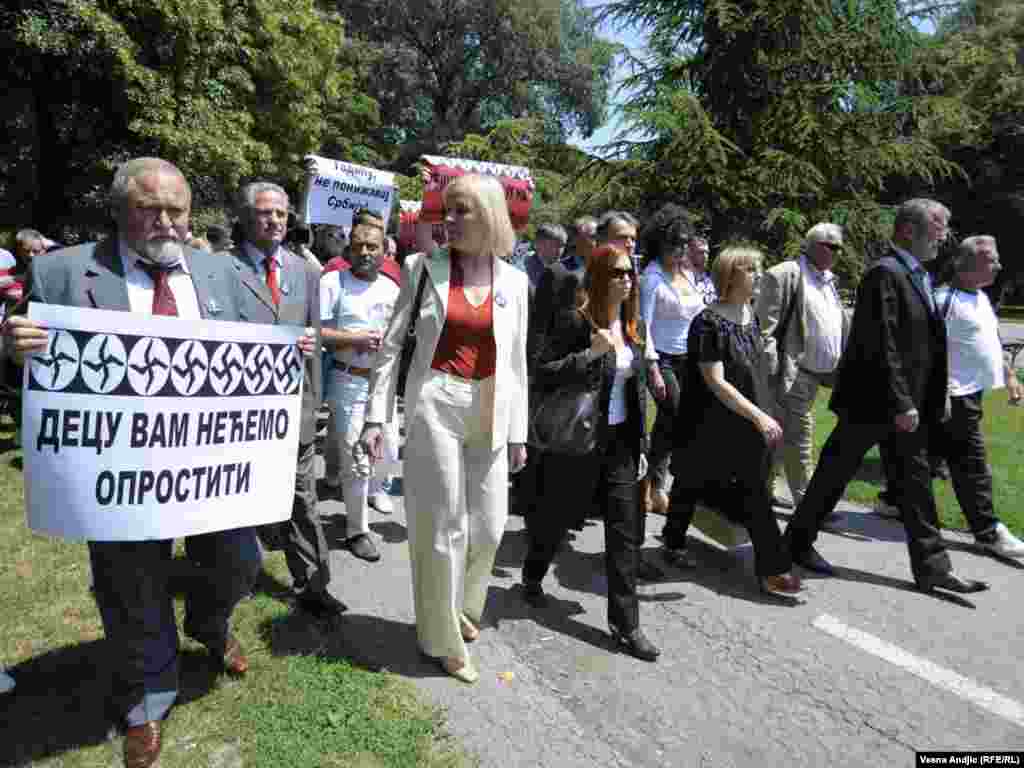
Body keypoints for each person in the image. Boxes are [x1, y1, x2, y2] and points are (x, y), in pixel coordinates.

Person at [3, 157, 276, 768]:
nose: (165, 221)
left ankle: (209, 623)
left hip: (210, 467)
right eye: (148, 208)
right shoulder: (63, 271)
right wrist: (13, 347)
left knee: (239, 559)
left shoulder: (219, 271)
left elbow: (256, 347)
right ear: (120, 208)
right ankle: (148, 697)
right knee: (132, 583)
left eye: (176, 209)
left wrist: (291, 347)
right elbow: (24, 360)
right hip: (118, 470)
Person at [359, 174, 529, 684]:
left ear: (490, 217)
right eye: (446, 211)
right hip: (436, 401)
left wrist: (518, 432)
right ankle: (441, 638)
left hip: (492, 405)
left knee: (490, 526)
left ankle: (464, 606)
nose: (447, 221)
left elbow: (518, 362)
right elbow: (391, 347)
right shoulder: (422, 268)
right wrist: (375, 414)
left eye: (461, 212)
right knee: (442, 529)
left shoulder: (517, 282)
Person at [784, 199, 990, 594]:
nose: (944, 234)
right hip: (874, 404)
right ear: (908, 229)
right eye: (938, 224)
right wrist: (903, 403)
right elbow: (884, 345)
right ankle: (794, 545)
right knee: (832, 476)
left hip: (904, 405)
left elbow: (928, 345)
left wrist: (937, 392)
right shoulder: (885, 273)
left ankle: (933, 567)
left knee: (915, 485)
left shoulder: (918, 275)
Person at [522, 244, 660, 660]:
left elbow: (635, 391)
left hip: (620, 443)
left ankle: (626, 624)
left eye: (629, 273)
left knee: (623, 532)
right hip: (579, 441)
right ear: (599, 277)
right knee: (556, 516)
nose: (626, 280)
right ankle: (532, 575)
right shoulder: (575, 321)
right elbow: (543, 372)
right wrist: (591, 354)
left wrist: (641, 446)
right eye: (617, 273)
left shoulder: (634, 327)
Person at [227, 181, 346, 617]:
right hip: (234, 412)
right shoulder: (218, 269)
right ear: (243, 217)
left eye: (281, 213)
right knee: (235, 498)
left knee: (302, 496)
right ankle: (231, 580)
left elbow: (315, 337)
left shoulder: (306, 271)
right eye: (264, 212)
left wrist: (314, 403)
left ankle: (315, 585)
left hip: (292, 409)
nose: (275, 220)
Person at [660, 246, 803, 597]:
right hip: (708, 421)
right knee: (689, 481)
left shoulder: (751, 317)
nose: (759, 274)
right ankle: (673, 542)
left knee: (754, 489)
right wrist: (757, 414)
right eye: (751, 269)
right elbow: (715, 380)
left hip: (745, 420)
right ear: (731, 276)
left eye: (758, 268)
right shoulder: (707, 322)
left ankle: (772, 569)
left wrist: (764, 410)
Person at [931, 236, 1024, 558]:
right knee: (971, 464)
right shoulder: (943, 300)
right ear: (965, 263)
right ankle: (987, 531)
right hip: (953, 397)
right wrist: (940, 394)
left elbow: (992, 338)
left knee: (931, 454)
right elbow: (928, 354)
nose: (998, 265)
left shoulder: (981, 297)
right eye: (991, 259)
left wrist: (1009, 375)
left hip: (972, 392)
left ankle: (891, 501)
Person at [319, 209, 400, 562]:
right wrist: (352, 339)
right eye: (359, 246)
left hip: (384, 385)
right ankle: (357, 530)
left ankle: (372, 494)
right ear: (348, 251)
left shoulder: (393, 288)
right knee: (358, 459)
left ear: (385, 251)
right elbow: (316, 331)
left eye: (373, 246)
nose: (366, 252)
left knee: (389, 452)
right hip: (347, 380)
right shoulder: (332, 283)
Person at [756, 223, 850, 510]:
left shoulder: (827, 280)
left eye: (839, 248)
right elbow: (764, 330)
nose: (836, 252)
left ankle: (762, 490)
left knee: (781, 436)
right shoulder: (784, 274)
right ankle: (808, 504)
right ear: (810, 244)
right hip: (792, 373)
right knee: (801, 437)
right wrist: (773, 371)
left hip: (817, 375)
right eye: (829, 246)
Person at [639, 204, 715, 515]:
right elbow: (644, 326)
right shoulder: (652, 278)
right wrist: (654, 368)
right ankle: (651, 486)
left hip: (690, 358)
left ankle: (656, 485)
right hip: (663, 358)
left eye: (685, 242)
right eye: (675, 243)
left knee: (672, 423)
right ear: (660, 243)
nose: (681, 249)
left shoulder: (688, 275)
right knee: (673, 415)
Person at [525, 224, 568, 292]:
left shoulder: (564, 271)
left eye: (562, 245)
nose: (559, 250)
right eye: (554, 245)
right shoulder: (521, 269)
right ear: (538, 244)